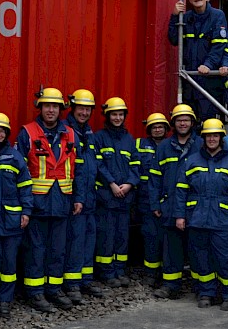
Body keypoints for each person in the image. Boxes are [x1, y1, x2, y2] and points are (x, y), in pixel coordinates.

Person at [15, 88, 89, 313]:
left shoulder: (71, 134)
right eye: (47, 106)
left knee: (57, 249)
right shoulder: (27, 133)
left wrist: (78, 198)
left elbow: (78, 169)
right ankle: (36, 292)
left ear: (60, 109)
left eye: (55, 106)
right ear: (40, 108)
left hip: (62, 202)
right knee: (36, 250)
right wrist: (24, 205)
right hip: (37, 203)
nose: (50, 110)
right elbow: (19, 172)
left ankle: (53, 289)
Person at [172, 118, 228, 310]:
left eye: (215, 135)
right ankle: (206, 293)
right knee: (201, 258)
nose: (211, 139)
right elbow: (181, 190)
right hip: (197, 218)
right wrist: (180, 215)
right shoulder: (191, 161)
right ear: (203, 138)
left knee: (226, 259)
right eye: (208, 136)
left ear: (221, 137)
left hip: (223, 219)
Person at [0, 112, 32, 317]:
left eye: (2, 130)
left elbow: (26, 186)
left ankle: (5, 300)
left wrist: (26, 211)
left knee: (9, 262)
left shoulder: (15, 156)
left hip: (12, 219)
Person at [152, 104, 200, 299]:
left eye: (186, 120)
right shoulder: (164, 147)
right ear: (173, 123)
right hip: (170, 205)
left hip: (196, 207)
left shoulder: (201, 145)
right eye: (179, 120)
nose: (182, 123)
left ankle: (200, 286)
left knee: (197, 248)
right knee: (172, 248)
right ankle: (171, 285)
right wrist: (156, 203)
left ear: (192, 122)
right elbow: (154, 177)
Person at [93, 97, 140, 288]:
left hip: (125, 197)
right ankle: (107, 272)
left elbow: (136, 165)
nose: (118, 117)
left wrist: (129, 184)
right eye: (114, 114)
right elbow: (98, 164)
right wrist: (112, 184)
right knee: (107, 235)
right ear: (108, 115)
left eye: (121, 114)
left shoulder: (129, 139)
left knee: (122, 236)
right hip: (106, 196)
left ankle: (119, 270)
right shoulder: (99, 137)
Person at [169, 0, 228, 120]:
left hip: (210, 82)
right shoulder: (186, 17)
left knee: (208, 124)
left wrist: (208, 65)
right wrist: (175, 16)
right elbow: (173, 39)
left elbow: (219, 46)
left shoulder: (217, 16)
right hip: (190, 81)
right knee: (191, 123)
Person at [66, 88, 100, 301]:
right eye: (81, 108)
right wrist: (76, 196)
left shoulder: (88, 133)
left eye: (88, 109)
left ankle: (85, 279)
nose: (84, 112)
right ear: (73, 108)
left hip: (90, 196)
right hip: (74, 197)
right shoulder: (67, 131)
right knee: (75, 241)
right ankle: (72, 284)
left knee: (89, 238)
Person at [136, 112, 169, 288]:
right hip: (146, 199)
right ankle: (150, 273)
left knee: (167, 238)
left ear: (165, 129)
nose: (157, 129)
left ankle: (166, 272)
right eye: (154, 127)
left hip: (166, 199)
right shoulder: (139, 144)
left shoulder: (171, 146)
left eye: (160, 126)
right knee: (150, 237)